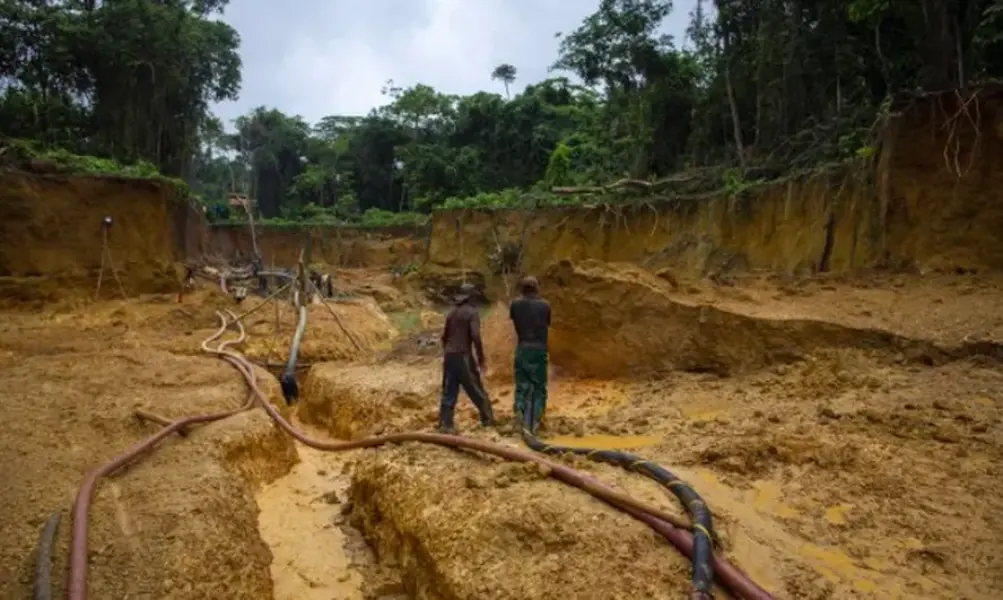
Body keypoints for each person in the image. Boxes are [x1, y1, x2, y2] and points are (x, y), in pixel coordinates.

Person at [438, 283, 495, 433]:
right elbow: (475, 335)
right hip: (463, 355)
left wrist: (448, 351)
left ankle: (445, 424)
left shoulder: (451, 313)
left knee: (449, 390)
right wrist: (481, 357)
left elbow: (444, 337)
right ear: (470, 298)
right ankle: (488, 419)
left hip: (449, 355)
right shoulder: (472, 313)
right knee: (475, 387)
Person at [509, 276, 551, 434]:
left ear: (522, 289)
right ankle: (537, 420)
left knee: (522, 385)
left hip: (522, 348)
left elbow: (515, 322)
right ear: (537, 288)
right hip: (539, 350)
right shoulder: (545, 305)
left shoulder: (515, 305)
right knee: (539, 387)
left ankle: (520, 415)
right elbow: (546, 324)